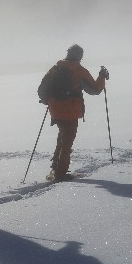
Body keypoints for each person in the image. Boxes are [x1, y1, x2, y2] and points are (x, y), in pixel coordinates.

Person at [44, 44, 108, 182]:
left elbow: (42, 89)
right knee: (67, 141)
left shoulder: (55, 68)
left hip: (55, 109)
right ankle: (60, 174)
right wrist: (102, 77)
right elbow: (95, 89)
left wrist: (48, 101)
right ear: (79, 56)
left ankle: (56, 167)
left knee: (62, 136)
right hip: (71, 110)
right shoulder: (79, 71)